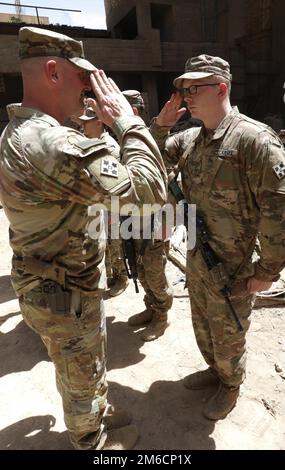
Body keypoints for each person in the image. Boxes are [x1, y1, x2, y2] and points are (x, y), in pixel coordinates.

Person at [0, 27, 167, 449]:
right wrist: (127, 122)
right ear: (54, 71)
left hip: (51, 283)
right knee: (79, 370)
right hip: (65, 292)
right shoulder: (55, 143)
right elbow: (148, 198)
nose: (90, 92)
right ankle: (90, 439)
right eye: (83, 79)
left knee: (82, 365)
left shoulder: (20, 130)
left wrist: (92, 133)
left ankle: (95, 409)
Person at [149, 54, 285, 420]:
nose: (186, 95)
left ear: (221, 87)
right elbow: (149, 159)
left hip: (234, 268)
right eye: (183, 88)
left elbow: (278, 212)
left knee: (229, 334)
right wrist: (160, 125)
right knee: (203, 326)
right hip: (198, 258)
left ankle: (231, 384)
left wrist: (267, 271)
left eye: (194, 88)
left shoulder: (255, 140)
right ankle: (215, 371)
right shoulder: (193, 139)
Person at [122, 90, 173, 342]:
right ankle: (151, 307)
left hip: (157, 219)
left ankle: (162, 316)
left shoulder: (151, 140)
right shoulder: (126, 139)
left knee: (154, 271)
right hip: (132, 218)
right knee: (139, 267)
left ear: (134, 111)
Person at [78, 107, 129, 297]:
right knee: (106, 243)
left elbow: (114, 183)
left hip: (112, 206)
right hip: (99, 205)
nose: (82, 125)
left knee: (116, 244)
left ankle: (121, 278)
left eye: (86, 122)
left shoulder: (108, 147)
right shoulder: (94, 143)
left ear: (99, 122)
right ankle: (112, 276)